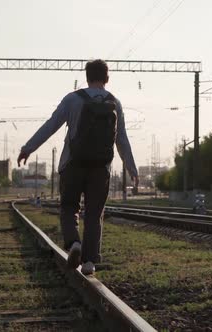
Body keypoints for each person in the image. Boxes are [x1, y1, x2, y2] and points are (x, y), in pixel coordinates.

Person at [18, 59, 138, 275]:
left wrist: (28, 148)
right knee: (94, 214)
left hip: (72, 164)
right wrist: (131, 168)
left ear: (86, 77)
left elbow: (51, 125)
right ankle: (90, 262)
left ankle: (74, 243)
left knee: (69, 207)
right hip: (101, 168)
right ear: (107, 78)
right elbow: (122, 139)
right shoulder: (115, 103)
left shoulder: (72, 99)